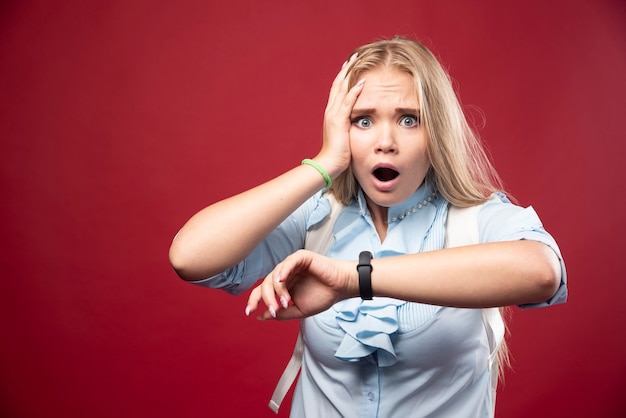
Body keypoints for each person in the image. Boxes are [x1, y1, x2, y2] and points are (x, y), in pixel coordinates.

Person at [169, 36, 567, 417]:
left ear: (437, 132)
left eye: (409, 119)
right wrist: (323, 164)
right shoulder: (318, 218)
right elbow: (189, 256)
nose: (385, 141)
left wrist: (353, 279)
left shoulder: (474, 219)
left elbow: (541, 272)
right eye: (363, 121)